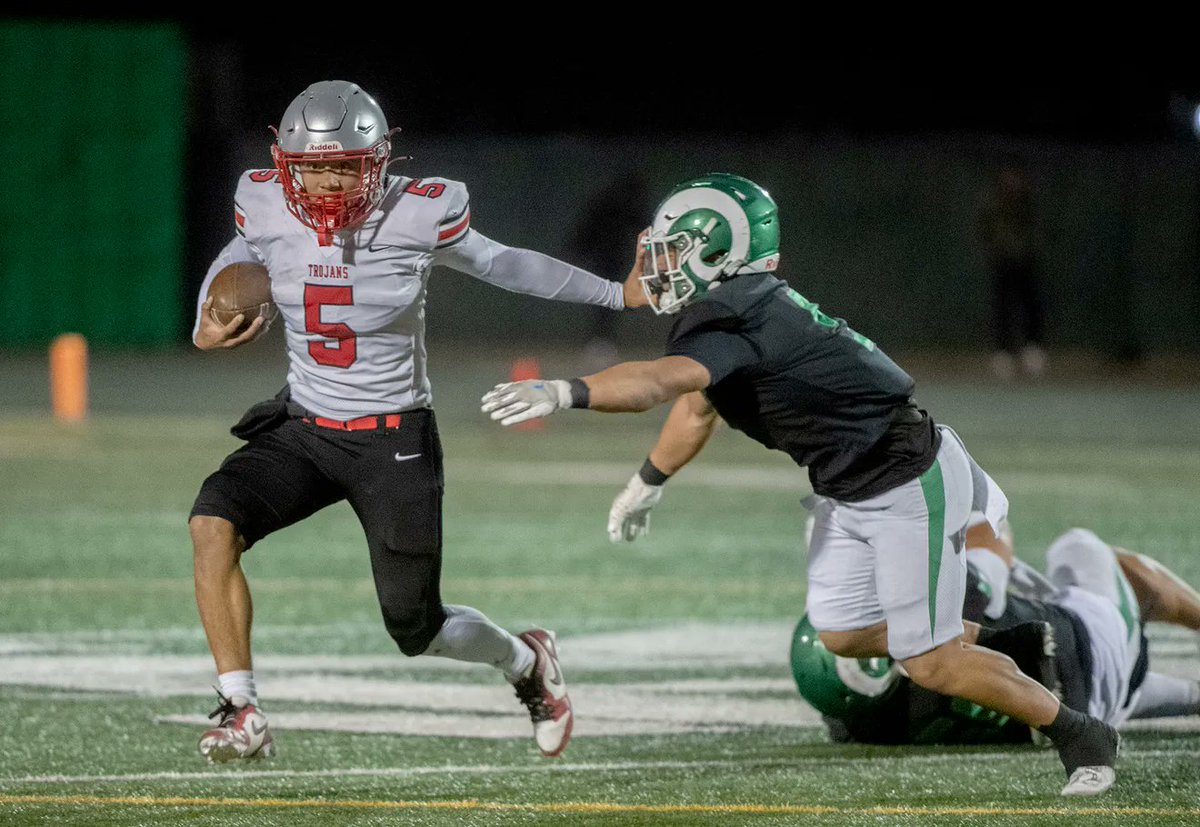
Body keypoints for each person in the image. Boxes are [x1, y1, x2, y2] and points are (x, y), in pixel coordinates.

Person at [480, 173, 1120, 796]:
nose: (656, 262)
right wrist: (649, 481)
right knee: (841, 631)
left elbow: (656, 382)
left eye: (674, 248)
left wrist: (565, 391)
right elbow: (700, 406)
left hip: (903, 479)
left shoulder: (736, 319)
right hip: (851, 486)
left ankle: (1083, 734)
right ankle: (1007, 639)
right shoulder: (738, 305)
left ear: (718, 254)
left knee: (929, 662)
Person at [188, 80, 647, 763]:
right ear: (286, 167)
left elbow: (503, 264)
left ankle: (525, 661)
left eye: (343, 165)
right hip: (305, 426)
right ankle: (241, 706)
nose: (326, 185)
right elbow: (240, 251)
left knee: (415, 626)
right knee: (212, 519)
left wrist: (615, 291)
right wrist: (207, 312)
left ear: (376, 163)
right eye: (311, 169)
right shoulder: (261, 199)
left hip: (391, 439)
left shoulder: (416, 213)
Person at [792, 515, 1200, 745]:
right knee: (1079, 547)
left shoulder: (862, 726)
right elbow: (993, 537)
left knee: (1175, 695)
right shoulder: (951, 603)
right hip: (1093, 651)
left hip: (1083, 708)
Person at [976, 160, 1047, 380]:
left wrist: (1029, 251)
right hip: (1002, 264)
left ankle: (1032, 353)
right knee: (1002, 309)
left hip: (1026, 263)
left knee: (1031, 306)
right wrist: (997, 252)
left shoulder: (1028, 205)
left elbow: (1036, 232)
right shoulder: (992, 205)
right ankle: (1003, 355)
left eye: (1015, 178)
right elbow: (985, 233)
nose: (1012, 183)